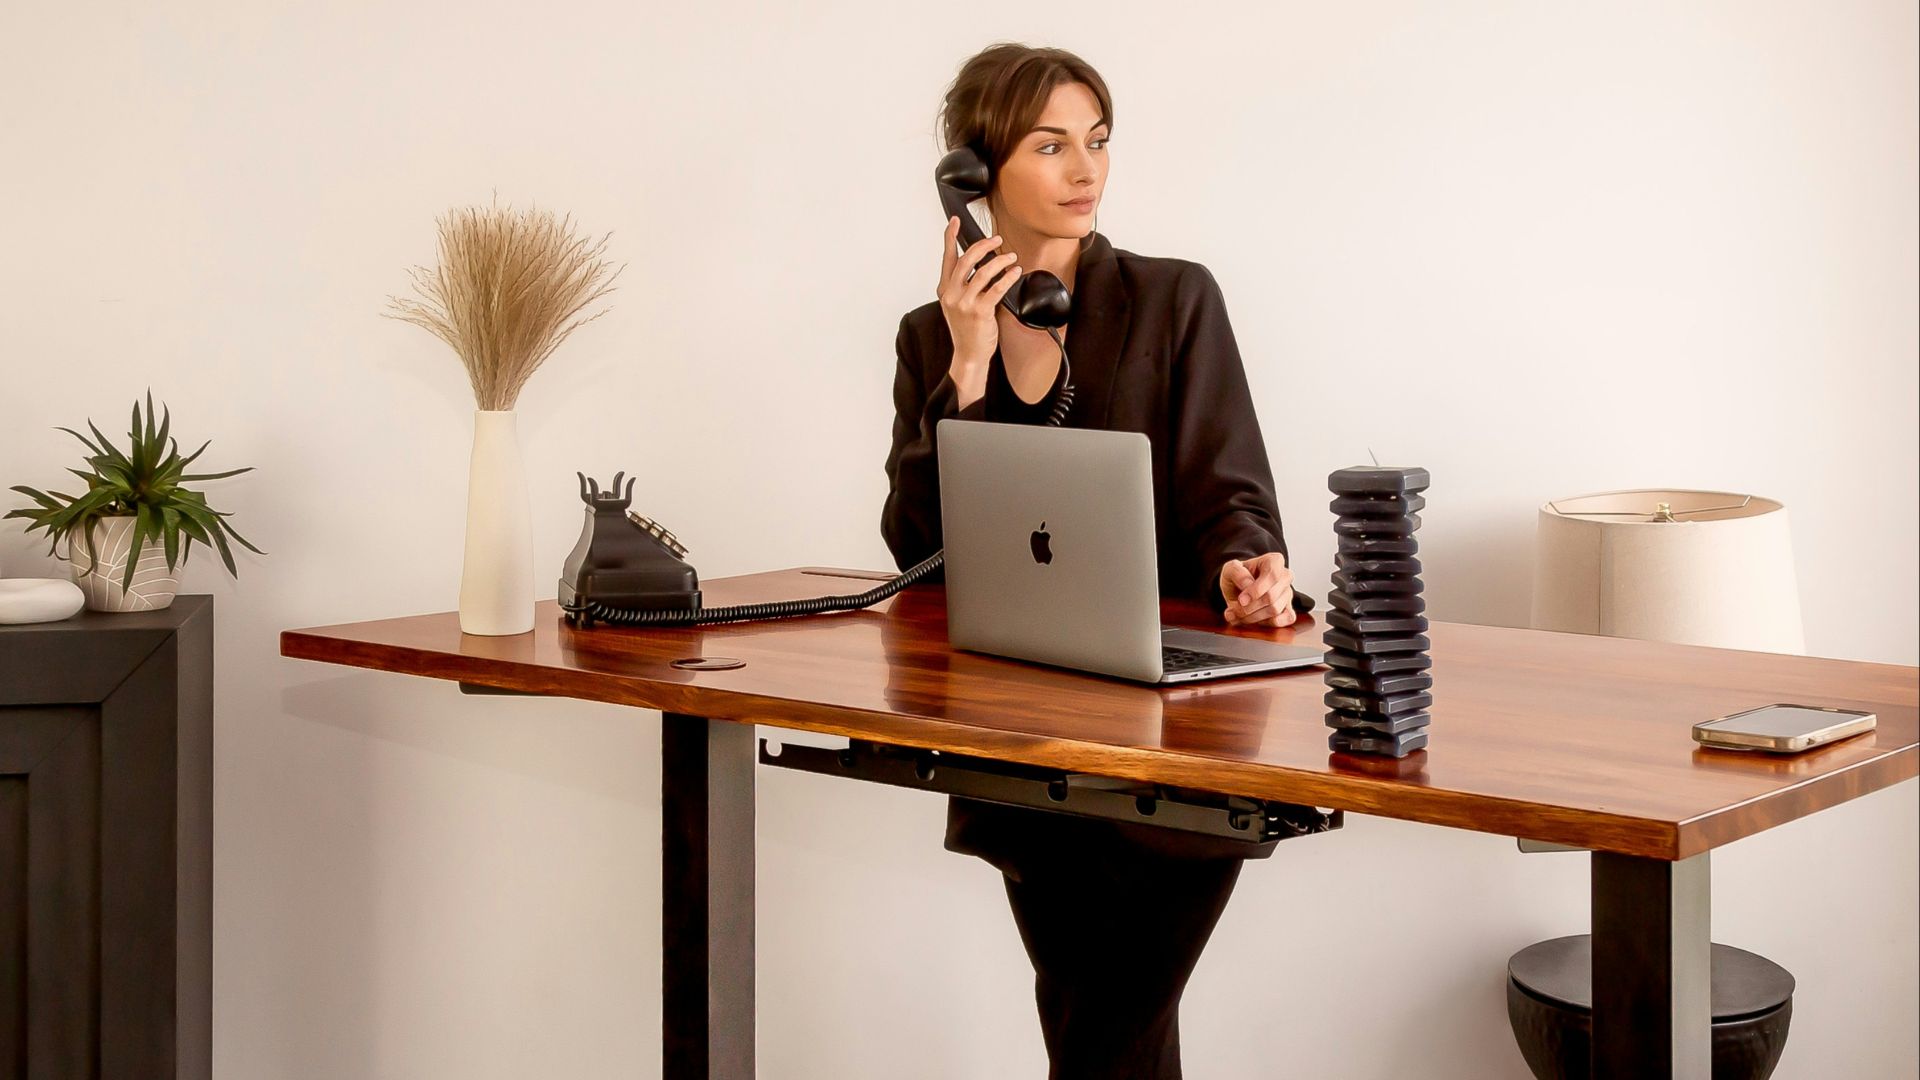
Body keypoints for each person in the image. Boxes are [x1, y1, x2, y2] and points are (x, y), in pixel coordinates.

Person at [880, 43, 1312, 1080]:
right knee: (1104, 1032)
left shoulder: (1174, 302)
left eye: (1099, 141)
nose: (1087, 170)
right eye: (1051, 144)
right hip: (1026, 748)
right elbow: (918, 557)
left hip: (1175, 750)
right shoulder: (928, 338)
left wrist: (1248, 568)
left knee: (1102, 1029)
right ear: (975, 177)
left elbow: (1232, 494)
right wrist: (971, 362)